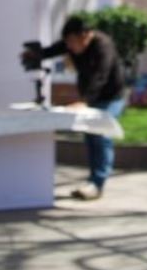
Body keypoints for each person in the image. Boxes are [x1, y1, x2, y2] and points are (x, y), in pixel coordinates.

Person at [20, 15, 127, 201]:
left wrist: (84, 100)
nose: (69, 47)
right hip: (91, 97)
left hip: (110, 97)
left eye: (72, 42)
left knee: (101, 134)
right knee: (91, 136)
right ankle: (93, 180)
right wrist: (35, 55)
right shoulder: (71, 41)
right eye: (67, 42)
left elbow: (99, 77)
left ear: (85, 35)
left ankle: (97, 183)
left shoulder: (103, 47)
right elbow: (52, 50)